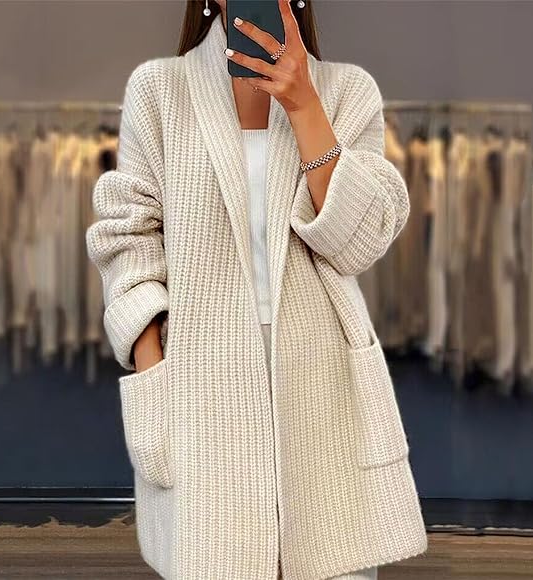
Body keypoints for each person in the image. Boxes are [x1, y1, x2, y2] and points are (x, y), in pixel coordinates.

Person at [86, 1, 428, 578]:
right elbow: (128, 234)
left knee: (332, 563)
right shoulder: (160, 91)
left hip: (322, 378)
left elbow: (360, 243)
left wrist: (303, 103)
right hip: (201, 381)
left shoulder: (347, 92)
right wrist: (151, 358)